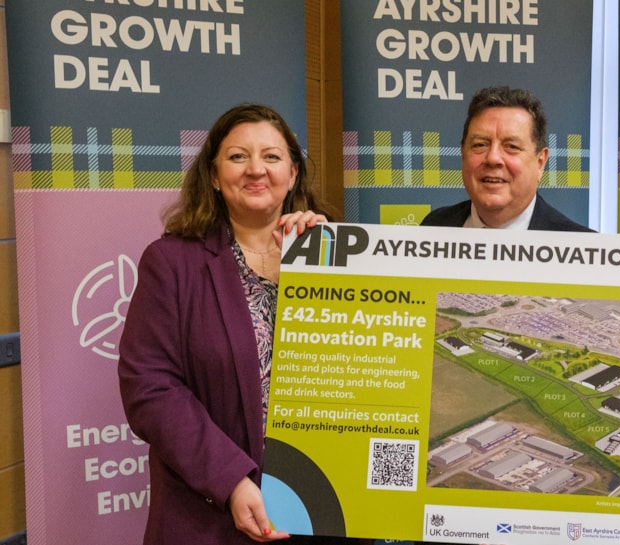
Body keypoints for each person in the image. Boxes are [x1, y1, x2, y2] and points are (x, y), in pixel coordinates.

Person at [117, 104, 364, 545]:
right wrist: (232, 481)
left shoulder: (338, 255)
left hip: (324, 506)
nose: (256, 170)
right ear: (213, 175)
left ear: (292, 173)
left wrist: (324, 266)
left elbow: (366, 371)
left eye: (271, 157)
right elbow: (149, 388)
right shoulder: (172, 264)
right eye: (237, 157)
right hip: (212, 515)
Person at [421, 85, 593, 232]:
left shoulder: (582, 253)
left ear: (540, 163)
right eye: (480, 145)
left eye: (511, 147)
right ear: (463, 154)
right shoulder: (433, 228)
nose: (493, 158)